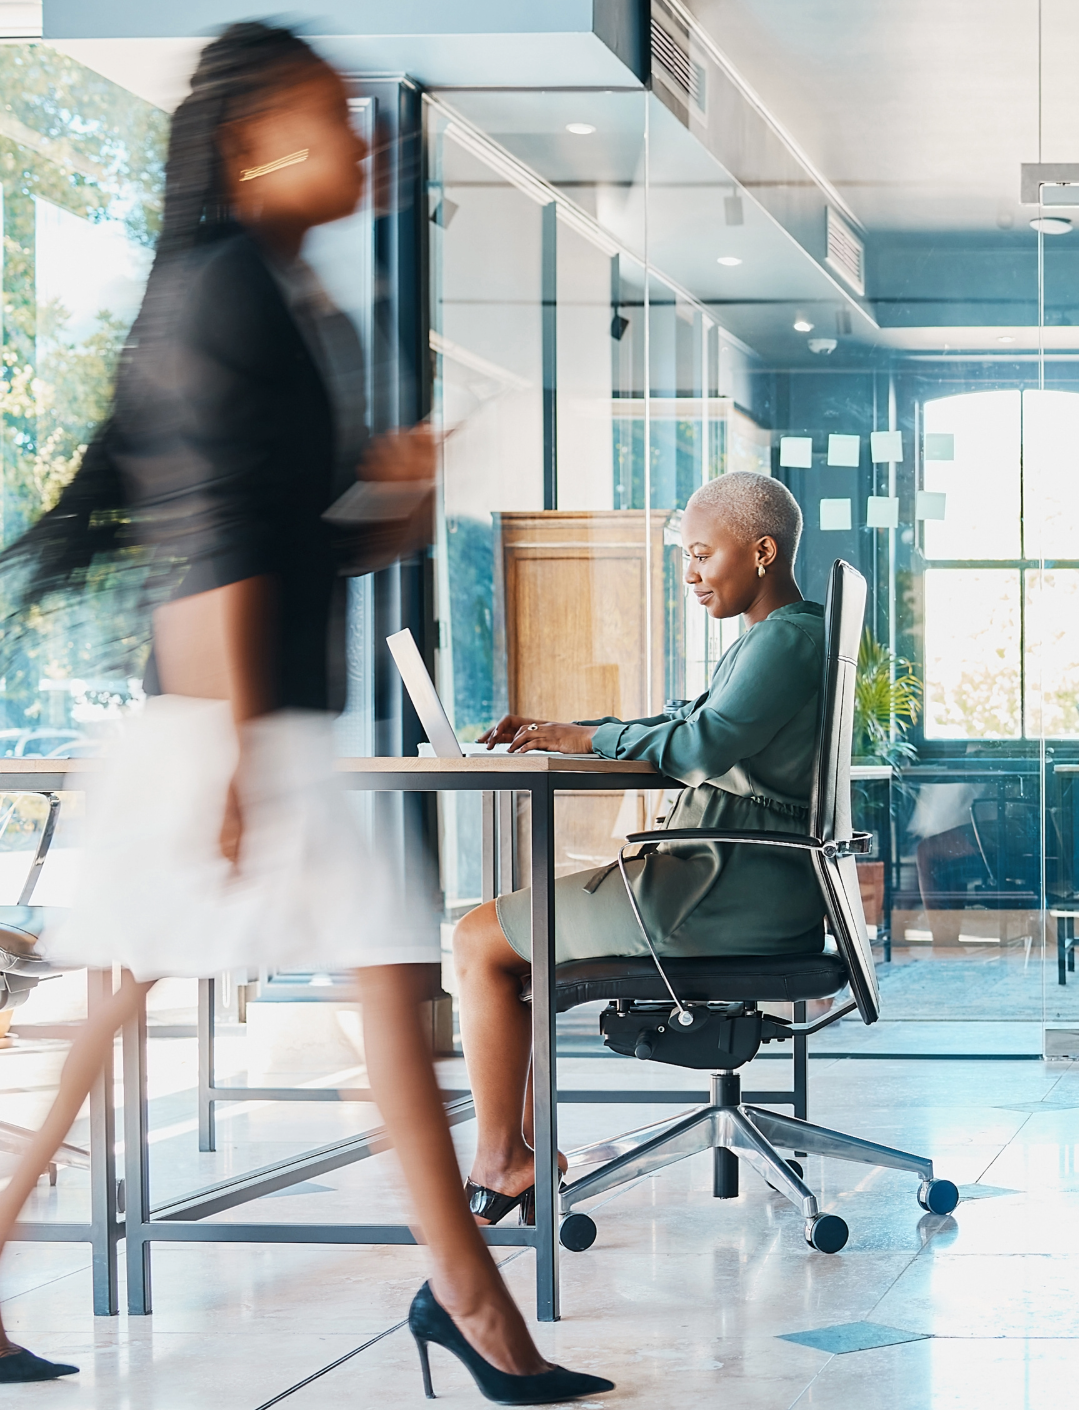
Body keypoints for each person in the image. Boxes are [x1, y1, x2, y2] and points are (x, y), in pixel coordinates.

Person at [0, 25, 611, 1401]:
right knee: (381, 980)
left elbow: (307, 541)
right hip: (230, 726)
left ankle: (472, 1304)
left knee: (299, 986)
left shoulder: (283, 295)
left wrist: (397, 492)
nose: (366, 138)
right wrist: (233, 763)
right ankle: (474, 1308)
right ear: (254, 144)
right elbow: (209, 536)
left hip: (247, 723)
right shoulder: (222, 289)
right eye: (336, 116)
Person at [452, 472, 826, 1223]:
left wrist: (589, 738)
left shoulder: (786, 638)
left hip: (722, 891)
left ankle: (503, 1160)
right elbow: (687, 718)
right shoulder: (781, 634)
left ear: (760, 551)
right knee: (512, 941)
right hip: (748, 882)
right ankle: (521, 1150)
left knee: (476, 941)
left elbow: (700, 744)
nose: (690, 575)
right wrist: (575, 729)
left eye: (700, 555)